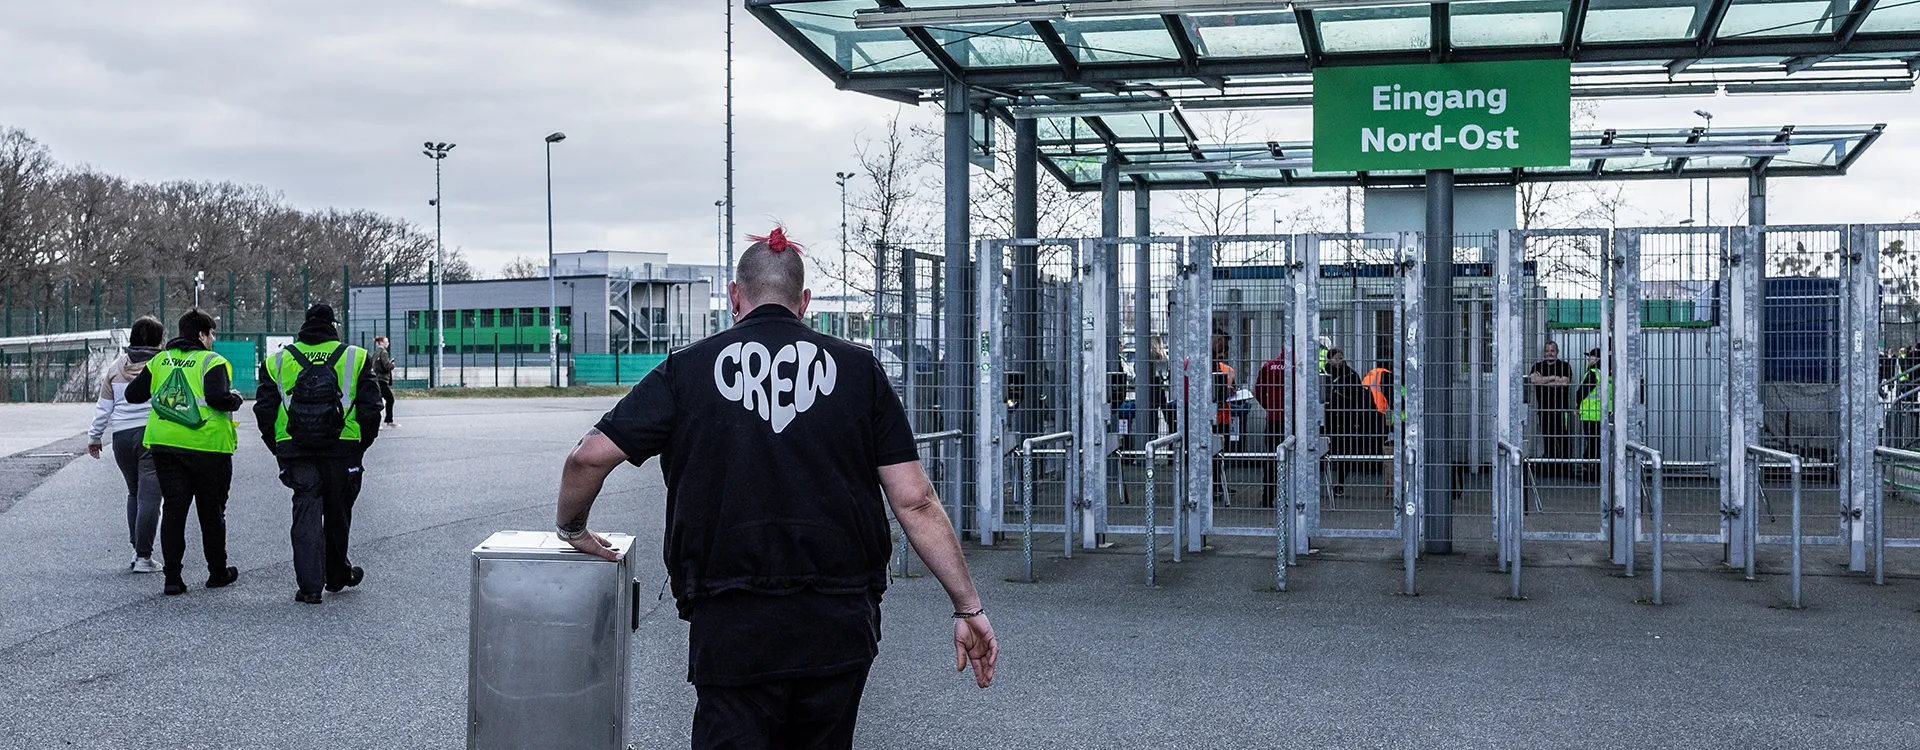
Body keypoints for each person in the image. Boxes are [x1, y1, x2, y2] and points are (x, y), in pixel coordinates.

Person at [553, 228, 996, 748]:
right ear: (803, 302)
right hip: (838, 617)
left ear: (735, 296)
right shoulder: (860, 371)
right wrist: (968, 606)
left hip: (731, 618)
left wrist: (573, 529)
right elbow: (915, 500)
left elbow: (588, 457)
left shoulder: (686, 370)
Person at [254, 305, 384, 604]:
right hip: (343, 448)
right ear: (332, 326)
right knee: (338, 512)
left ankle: (310, 587)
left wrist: (278, 448)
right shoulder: (356, 356)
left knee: (305, 509)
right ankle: (337, 575)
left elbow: (264, 410)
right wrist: (361, 445)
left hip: (295, 448)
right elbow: (372, 407)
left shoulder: (277, 360)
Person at [125, 309, 244, 596]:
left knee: (174, 510)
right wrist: (235, 399)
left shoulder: (160, 360)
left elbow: (133, 395)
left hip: (165, 446)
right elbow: (217, 398)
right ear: (202, 335)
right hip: (207, 446)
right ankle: (217, 572)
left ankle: (173, 578)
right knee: (211, 512)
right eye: (211, 333)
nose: (213, 339)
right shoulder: (211, 361)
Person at [88, 315, 166, 573]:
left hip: (121, 438)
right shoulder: (162, 364)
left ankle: (136, 550)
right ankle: (143, 556)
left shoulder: (116, 367)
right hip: (151, 436)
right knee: (150, 497)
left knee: (134, 492)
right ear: (159, 340)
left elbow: (103, 407)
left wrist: (95, 437)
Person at [1321, 348, 1366, 496]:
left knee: (1344, 451)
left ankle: (1340, 482)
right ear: (1329, 360)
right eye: (1336, 358)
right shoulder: (1323, 375)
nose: (1339, 361)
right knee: (1325, 449)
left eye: (1341, 358)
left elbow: (1360, 397)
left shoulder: (1351, 375)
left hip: (1346, 417)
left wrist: (1357, 418)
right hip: (1328, 418)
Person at [1528, 340, 1575, 477]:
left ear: (1557, 352)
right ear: (1544, 352)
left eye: (1552, 351)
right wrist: (1554, 378)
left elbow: (1565, 382)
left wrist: (1543, 380)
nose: (1549, 353)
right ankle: (1551, 469)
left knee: (1563, 438)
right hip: (1544, 409)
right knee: (1547, 438)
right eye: (1547, 351)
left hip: (1561, 409)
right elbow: (1533, 380)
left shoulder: (1564, 366)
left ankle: (1565, 469)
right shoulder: (1537, 366)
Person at [1253, 348, 1289, 508]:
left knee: (1272, 457)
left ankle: (1268, 497)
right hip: (1296, 418)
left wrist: (1269, 407)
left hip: (1275, 418)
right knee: (1297, 458)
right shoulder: (1301, 365)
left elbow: (1259, 391)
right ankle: (1294, 497)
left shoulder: (1269, 366)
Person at [1574, 348, 1608, 481]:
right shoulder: (1606, 373)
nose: (1589, 359)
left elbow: (1582, 391)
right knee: (1599, 444)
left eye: (1591, 357)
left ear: (1597, 359)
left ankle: (1589, 471)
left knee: (1592, 444)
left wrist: (1577, 405)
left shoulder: (1593, 373)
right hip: (1602, 414)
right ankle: (1598, 471)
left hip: (1590, 414)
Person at [372, 335, 398, 428]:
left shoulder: (376, 353)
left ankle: (387, 420)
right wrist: (392, 365)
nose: (388, 344)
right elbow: (386, 366)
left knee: (378, 400)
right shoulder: (384, 353)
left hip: (376, 379)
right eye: (386, 342)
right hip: (382, 380)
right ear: (381, 343)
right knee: (389, 400)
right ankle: (386, 421)